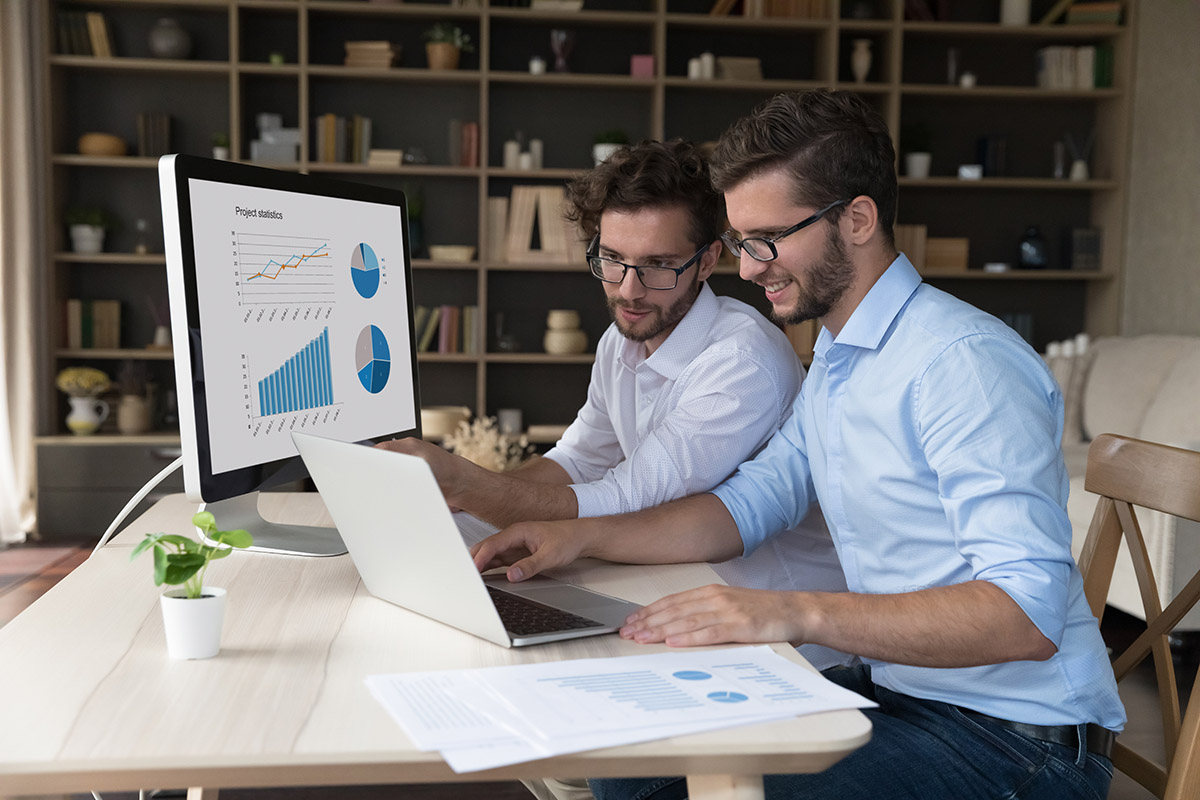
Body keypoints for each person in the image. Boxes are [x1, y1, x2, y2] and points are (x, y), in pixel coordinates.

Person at [471, 91, 1125, 800]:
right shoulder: (841, 356)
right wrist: (579, 537)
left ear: (858, 219)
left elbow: (1027, 614)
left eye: (767, 239)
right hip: (901, 692)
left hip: (1014, 741)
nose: (750, 269)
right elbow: (748, 504)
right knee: (627, 764)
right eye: (743, 242)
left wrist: (793, 611)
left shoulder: (962, 363)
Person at [380, 139, 847, 670]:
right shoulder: (620, 340)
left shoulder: (741, 361)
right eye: (612, 259)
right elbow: (575, 461)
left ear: (707, 261)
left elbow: (627, 501)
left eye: (658, 265)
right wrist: (462, 503)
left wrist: (469, 484)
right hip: (674, 594)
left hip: (781, 641)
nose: (628, 290)